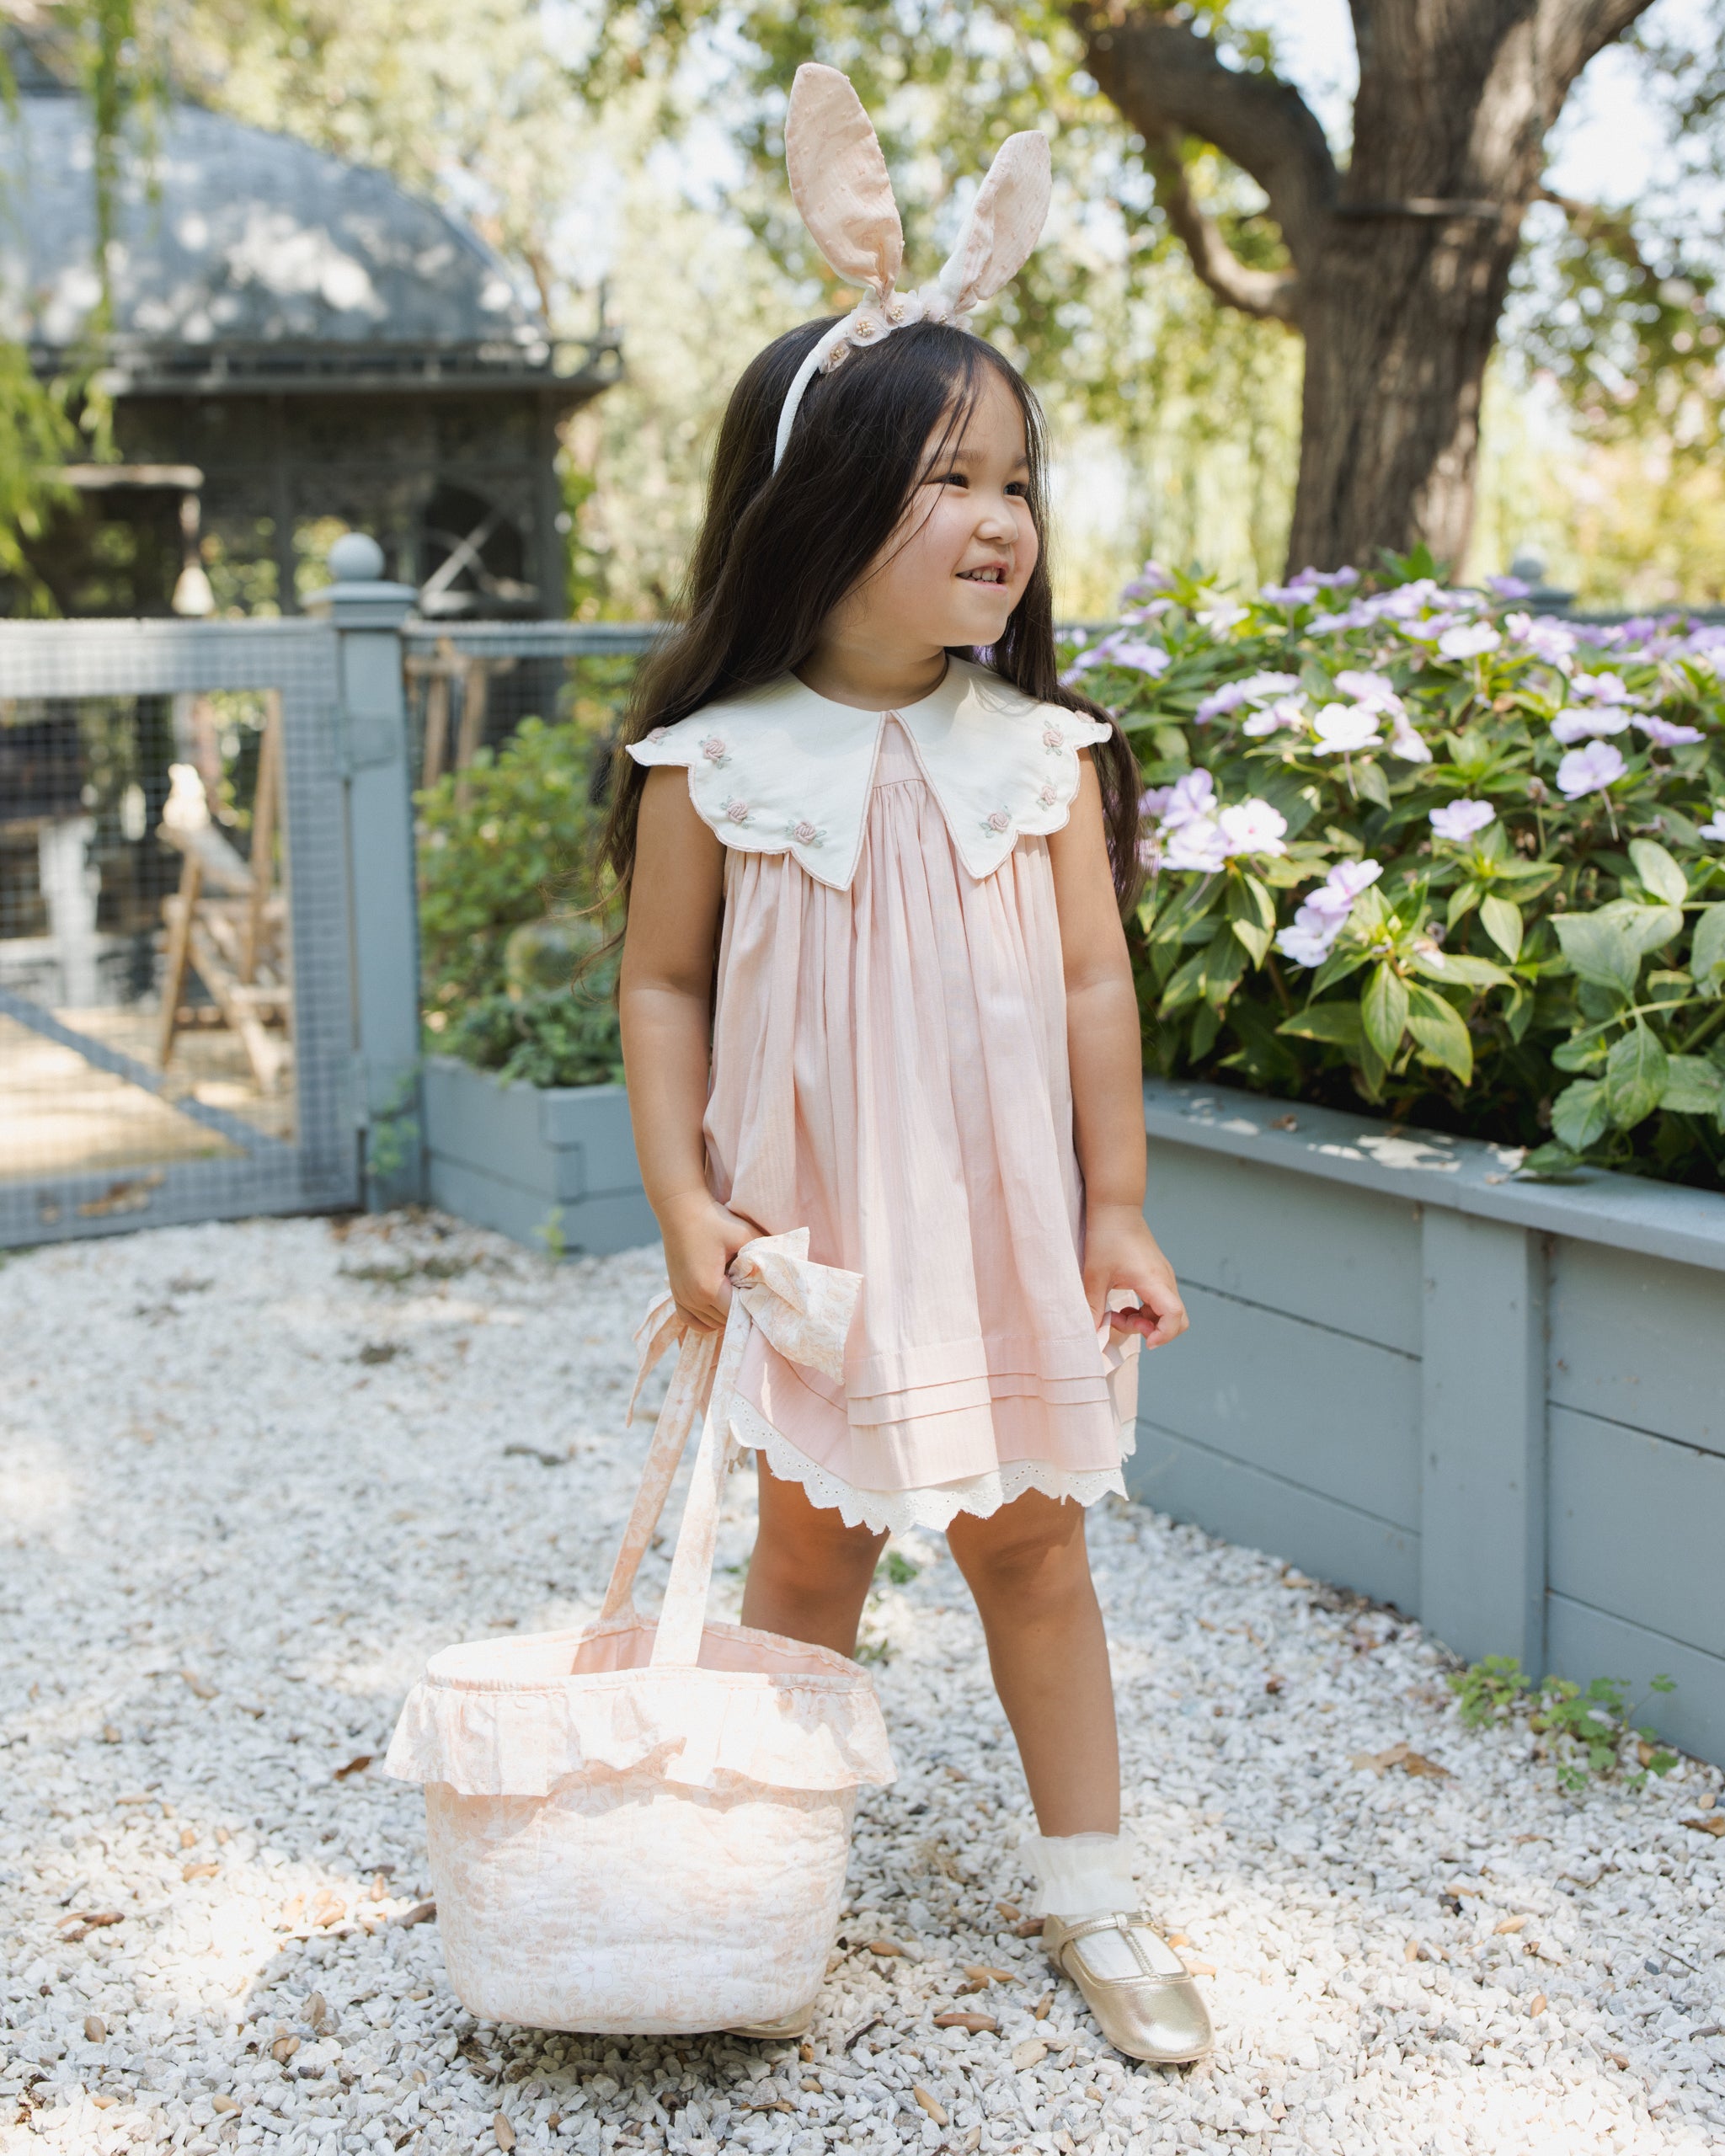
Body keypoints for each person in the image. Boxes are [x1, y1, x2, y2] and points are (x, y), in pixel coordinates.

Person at [600, 63, 1210, 2067]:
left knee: (1030, 1539)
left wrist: (1114, 1197)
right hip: (812, 1241)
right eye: (946, 479)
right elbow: (666, 985)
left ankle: (1095, 1894)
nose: (997, 522)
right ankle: (756, 1895)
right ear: (815, 511)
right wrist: (689, 1205)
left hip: (1002, 1233)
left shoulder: (1039, 756)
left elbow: (1096, 991)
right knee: (806, 1548)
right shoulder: (715, 760)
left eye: (1014, 479)